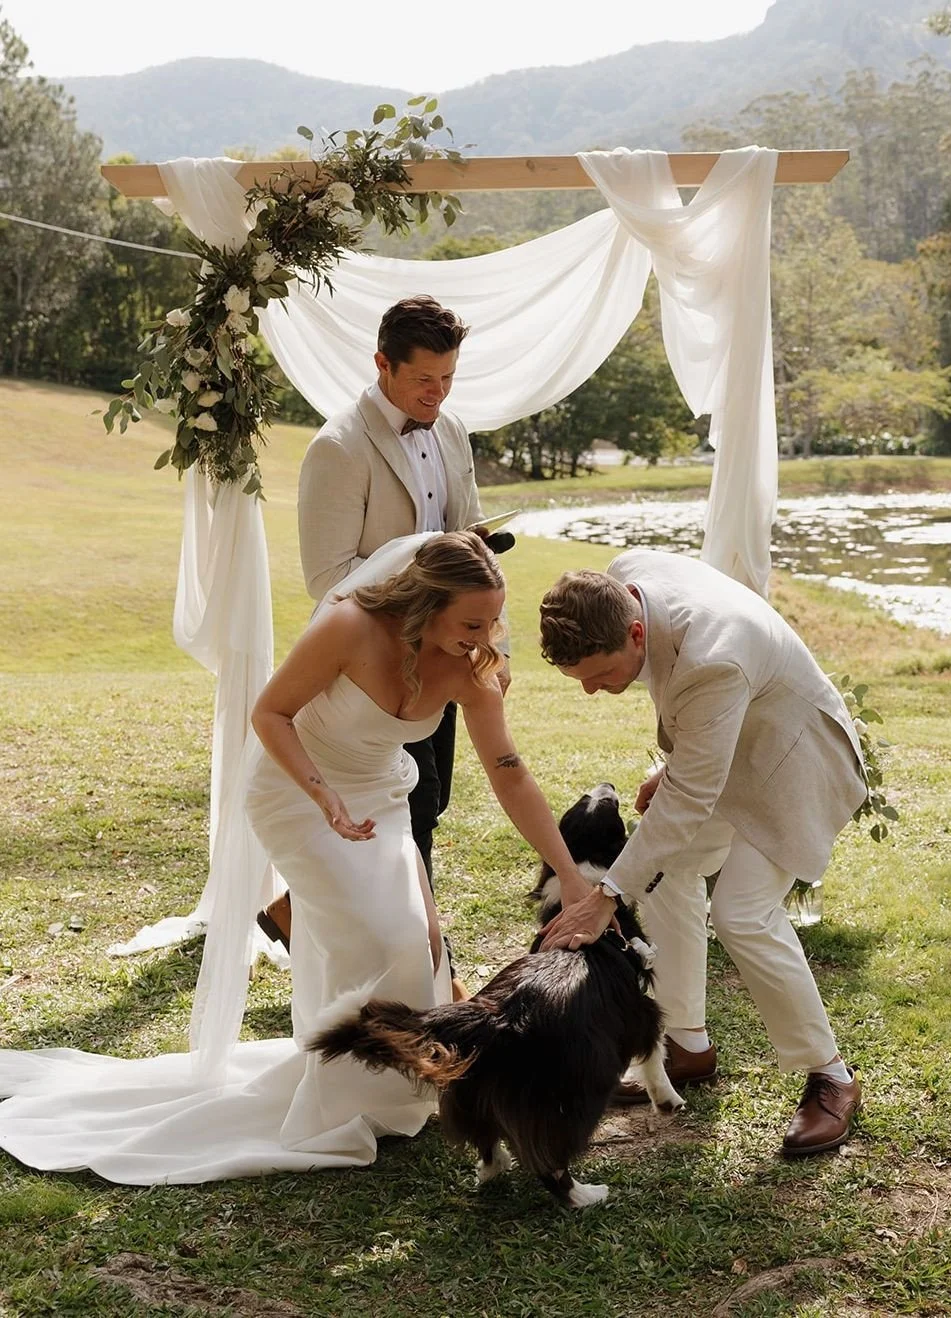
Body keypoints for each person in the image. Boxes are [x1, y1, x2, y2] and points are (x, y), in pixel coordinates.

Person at [0, 532, 588, 1184]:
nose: (488, 637)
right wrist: (323, 795)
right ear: (426, 604)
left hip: (378, 798)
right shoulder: (348, 627)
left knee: (420, 944)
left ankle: (392, 1094)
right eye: (473, 621)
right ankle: (342, 1100)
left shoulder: (470, 666)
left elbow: (508, 772)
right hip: (294, 791)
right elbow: (271, 713)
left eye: (493, 619)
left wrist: (566, 870)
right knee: (379, 932)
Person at [537, 548, 869, 1157]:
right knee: (665, 872)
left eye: (597, 673)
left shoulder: (712, 658)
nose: (589, 690)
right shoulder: (624, 576)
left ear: (635, 631)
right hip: (732, 745)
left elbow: (692, 794)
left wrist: (607, 897)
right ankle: (686, 1041)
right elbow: (695, 763)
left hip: (795, 760)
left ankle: (832, 1077)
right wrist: (676, 767)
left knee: (743, 911)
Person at [259, 295, 507, 981]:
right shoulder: (338, 447)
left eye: (449, 379)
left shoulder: (451, 431)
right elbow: (328, 576)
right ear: (382, 364)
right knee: (415, 804)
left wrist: (489, 641)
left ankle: (294, 912)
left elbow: (470, 542)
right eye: (424, 379)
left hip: (446, 653)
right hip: (371, 670)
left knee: (433, 799)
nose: (438, 394)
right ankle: (429, 969)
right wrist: (418, 583)